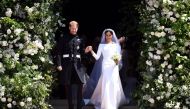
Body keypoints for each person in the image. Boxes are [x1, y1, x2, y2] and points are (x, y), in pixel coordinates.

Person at [84, 28, 127, 109]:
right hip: (105, 65)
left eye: (109, 35)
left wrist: (117, 61)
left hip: (114, 65)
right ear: (105, 36)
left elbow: (119, 56)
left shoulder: (117, 45)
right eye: (106, 35)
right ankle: (106, 103)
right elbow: (97, 57)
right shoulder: (101, 45)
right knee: (106, 82)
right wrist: (91, 51)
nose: (108, 37)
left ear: (112, 35)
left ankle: (113, 103)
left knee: (113, 82)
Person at [56, 20, 88, 109]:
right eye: (72, 28)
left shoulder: (80, 39)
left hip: (78, 66)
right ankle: (71, 106)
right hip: (67, 65)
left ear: (77, 28)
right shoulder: (63, 38)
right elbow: (58, 52)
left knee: (80, 84)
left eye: (75, 28)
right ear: (69, 28)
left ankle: (79, 106)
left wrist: (86, 50)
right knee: (68, 86)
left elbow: (82, 52)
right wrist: (59, 64)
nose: (74, 30)